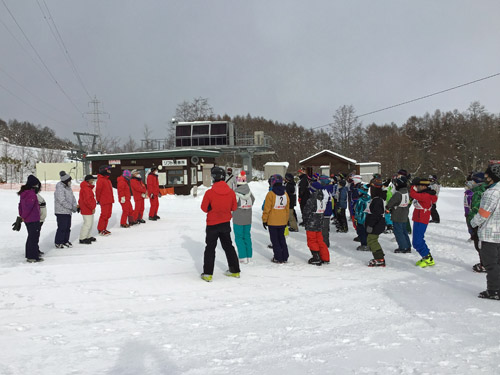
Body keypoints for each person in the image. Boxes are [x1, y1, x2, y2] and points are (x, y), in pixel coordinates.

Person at [200, 166, 240, 282]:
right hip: (225, 223)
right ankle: (235, 270)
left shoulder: (210, 193)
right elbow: (234, 207)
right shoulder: (231, 192)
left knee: (210, 248)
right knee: (228, 246)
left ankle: (208, 274)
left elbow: (204, 208)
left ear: (213, 177)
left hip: (212, 224)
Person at [470, 162, 500, 299]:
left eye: (487, 175)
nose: (485, 177)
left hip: (490, 234)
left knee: (491, 264)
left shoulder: (492, 193)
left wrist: (473, 223)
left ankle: (494, 290)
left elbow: (483, 214)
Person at [410, 177, 438, 267]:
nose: (417, 188)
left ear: (423, 186)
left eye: (418, 186)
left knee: (417, 241)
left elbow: (413, 194)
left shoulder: (426, 195)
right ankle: (426, 256)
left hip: (422, 219)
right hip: (418, 218)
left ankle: (427, 257)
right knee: (416, 241)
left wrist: (412, 186)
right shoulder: (424, 193)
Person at [262, 174, 290, 263]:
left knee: (275, 240)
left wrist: (264, 220)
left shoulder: (270, 194)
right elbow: (287, 209)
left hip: (272, 221)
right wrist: (286, 220)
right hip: (282, 221)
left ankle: (278, 257)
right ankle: (285, 256)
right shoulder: (285, 194)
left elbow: (267, 209)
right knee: (282, 238)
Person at [18, 175, 43, 262]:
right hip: (33, 218)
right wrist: (23, 216)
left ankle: (31, 254)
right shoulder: (31, 194)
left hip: (29, 219)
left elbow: (21, 206)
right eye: (36, 184)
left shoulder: (24, 192)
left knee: (31, 237)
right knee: (33, 237)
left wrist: (22, 216)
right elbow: (28, 207)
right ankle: (32, 256)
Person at [304, 180, 330, 265]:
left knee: (312, 240)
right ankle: (325, 257)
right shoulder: (322, 198)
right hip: (320, 222)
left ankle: (316, 257)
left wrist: (305, 221)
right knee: (320, 240)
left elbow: (306, 212)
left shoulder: (311, 199)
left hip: (312, 222)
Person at [467, 172, 487, 272]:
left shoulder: (479, 192)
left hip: (479, 222)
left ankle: (485, 264)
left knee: (480, 244)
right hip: (483, 222)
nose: (472, 182)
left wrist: (472, 222)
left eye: (473, 180)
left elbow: (476, 209)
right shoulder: (477, 191)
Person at [233, 171, 255, 263]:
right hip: (248, 219)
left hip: (238, 219)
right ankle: (249, 256)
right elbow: (252, 201)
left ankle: (242, 257)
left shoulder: (235, 194)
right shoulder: (250, 193)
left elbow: (232, 206)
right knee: (247, 236)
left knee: (239, 237)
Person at [386, 175, 412, 253]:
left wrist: (387, 207)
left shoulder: (398, 194)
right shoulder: (407, 192)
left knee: (398, 232)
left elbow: (391, 202)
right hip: (404, 214)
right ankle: (407, 246)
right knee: (404, 231)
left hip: (398, 215)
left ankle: (403, 247)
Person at [365, 177, 387, 267]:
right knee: (371, 240)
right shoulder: (376, 198)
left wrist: (370, 225)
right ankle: (378, 256)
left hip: (377, 223)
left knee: (372, 240)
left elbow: (376, 215)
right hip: (377, 222)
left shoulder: (377, 199)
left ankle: (380, 258)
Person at [54, 171, 78, 248]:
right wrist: (71, 207)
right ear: (66, 181)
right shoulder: (60, 188)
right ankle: (58, 242)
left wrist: (75, 205)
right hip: (61, 212)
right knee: (62, 227)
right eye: (69, 181)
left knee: (67, 227)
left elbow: (72, 197)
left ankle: (65, 240)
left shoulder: (68, 188)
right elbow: (62, 200)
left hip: (68, 212)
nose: (70, 182)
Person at [96, 165, 114, 235]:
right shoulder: (100, 180)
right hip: (104, 201)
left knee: (108, 215)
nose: (110, 172)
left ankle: (104, 228)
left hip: (109, 200)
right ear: (104, 171)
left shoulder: (107, 180)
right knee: (104, 215)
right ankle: (100, 229)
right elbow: (98, 191)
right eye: (108, 170)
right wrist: (98, 200)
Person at [79, 175, 97, 244]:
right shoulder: (86, 188)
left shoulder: (87, 188)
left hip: (88, 208)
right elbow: (87, 200)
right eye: (92, 180)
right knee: (87, 224)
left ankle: (88, 236)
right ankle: (82, 238)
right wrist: (92, 207)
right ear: (88, 181)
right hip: (87, 209)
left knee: (90, 223)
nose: (93, 181)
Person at [354, 183, 371, 251]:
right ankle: (368, 243)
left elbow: (357, 209)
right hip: (368, 218)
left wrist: (356, 217)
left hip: (361, 218)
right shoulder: (369, 198)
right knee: (367, 232)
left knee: (361, 232)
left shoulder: (360, 200)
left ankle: (364, 244)